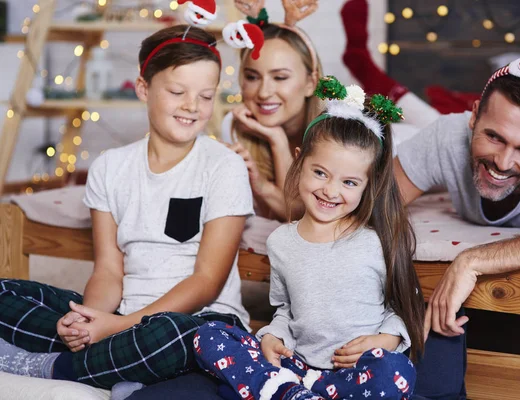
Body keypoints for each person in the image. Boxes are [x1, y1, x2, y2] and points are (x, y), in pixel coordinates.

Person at [0, 23, 254, 396]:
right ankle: (108, 362)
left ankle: (56, 367)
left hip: (199, 321)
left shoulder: (223, 166)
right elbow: (107, 269)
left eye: (206, 96)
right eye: (177, 92)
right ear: (143, 88)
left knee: (174, 337)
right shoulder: (110, 167)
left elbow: (207, 282)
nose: (192, 106)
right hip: (123, 315)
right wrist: (89, 319)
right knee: (5, 291)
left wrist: (116, 328)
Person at [192, 77, 425, 400]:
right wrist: (273, 338)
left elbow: (400, 306)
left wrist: (384, 341)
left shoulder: (374, 241)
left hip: (356, 374)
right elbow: (288, 310)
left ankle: (275, 392)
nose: (330, 191)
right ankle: (288, 392)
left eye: (349, 182)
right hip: (299, 369)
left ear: (368, 185)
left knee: (396, 372)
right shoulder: (281, 241)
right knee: (208, 334)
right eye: (320, 173)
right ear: (299, 161)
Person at [392, 35, 520, 339]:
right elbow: (375, 203)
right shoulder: (447, 135)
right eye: (494, 137)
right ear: (474, 116)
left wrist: (472, 260)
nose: (502, 162)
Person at [220, 4, 322, 221]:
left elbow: (304, 221)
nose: (264, 93)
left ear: (310, 83)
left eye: (280, 77)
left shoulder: (334, 132)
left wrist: (277, 141)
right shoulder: (235, 127)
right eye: (252, 77)